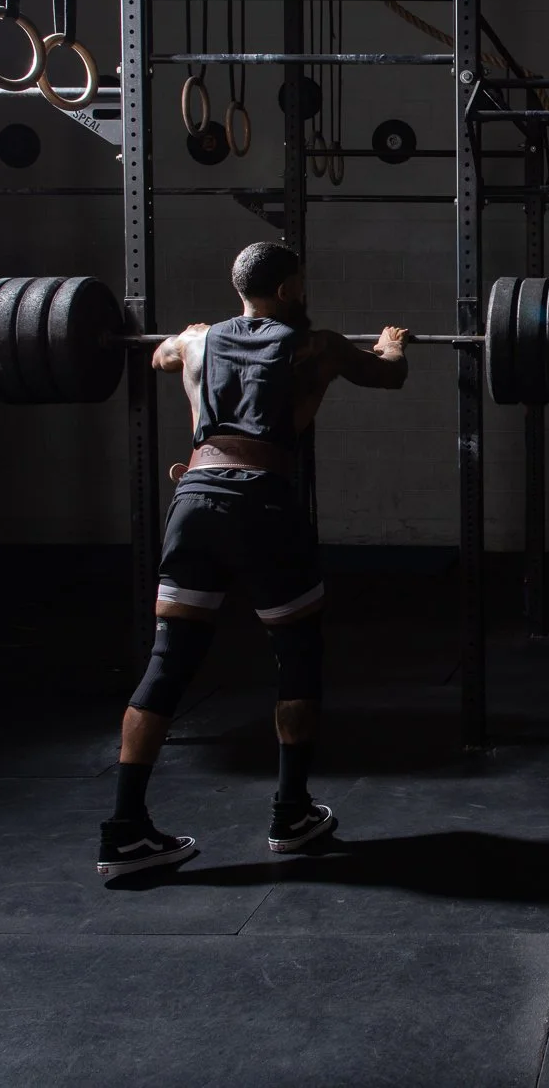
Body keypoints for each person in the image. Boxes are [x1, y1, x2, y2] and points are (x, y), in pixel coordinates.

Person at [97, 241, 408, 877]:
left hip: (195, 501)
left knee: (168, 663)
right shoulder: (316, 345)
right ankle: (291, 814)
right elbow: (389, 373)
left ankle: (124, 831)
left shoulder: (197, 343)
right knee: (296, 656)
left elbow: (157, 356)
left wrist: (188, 334)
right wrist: (393, 338)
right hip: (263, 503)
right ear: (291, 288)